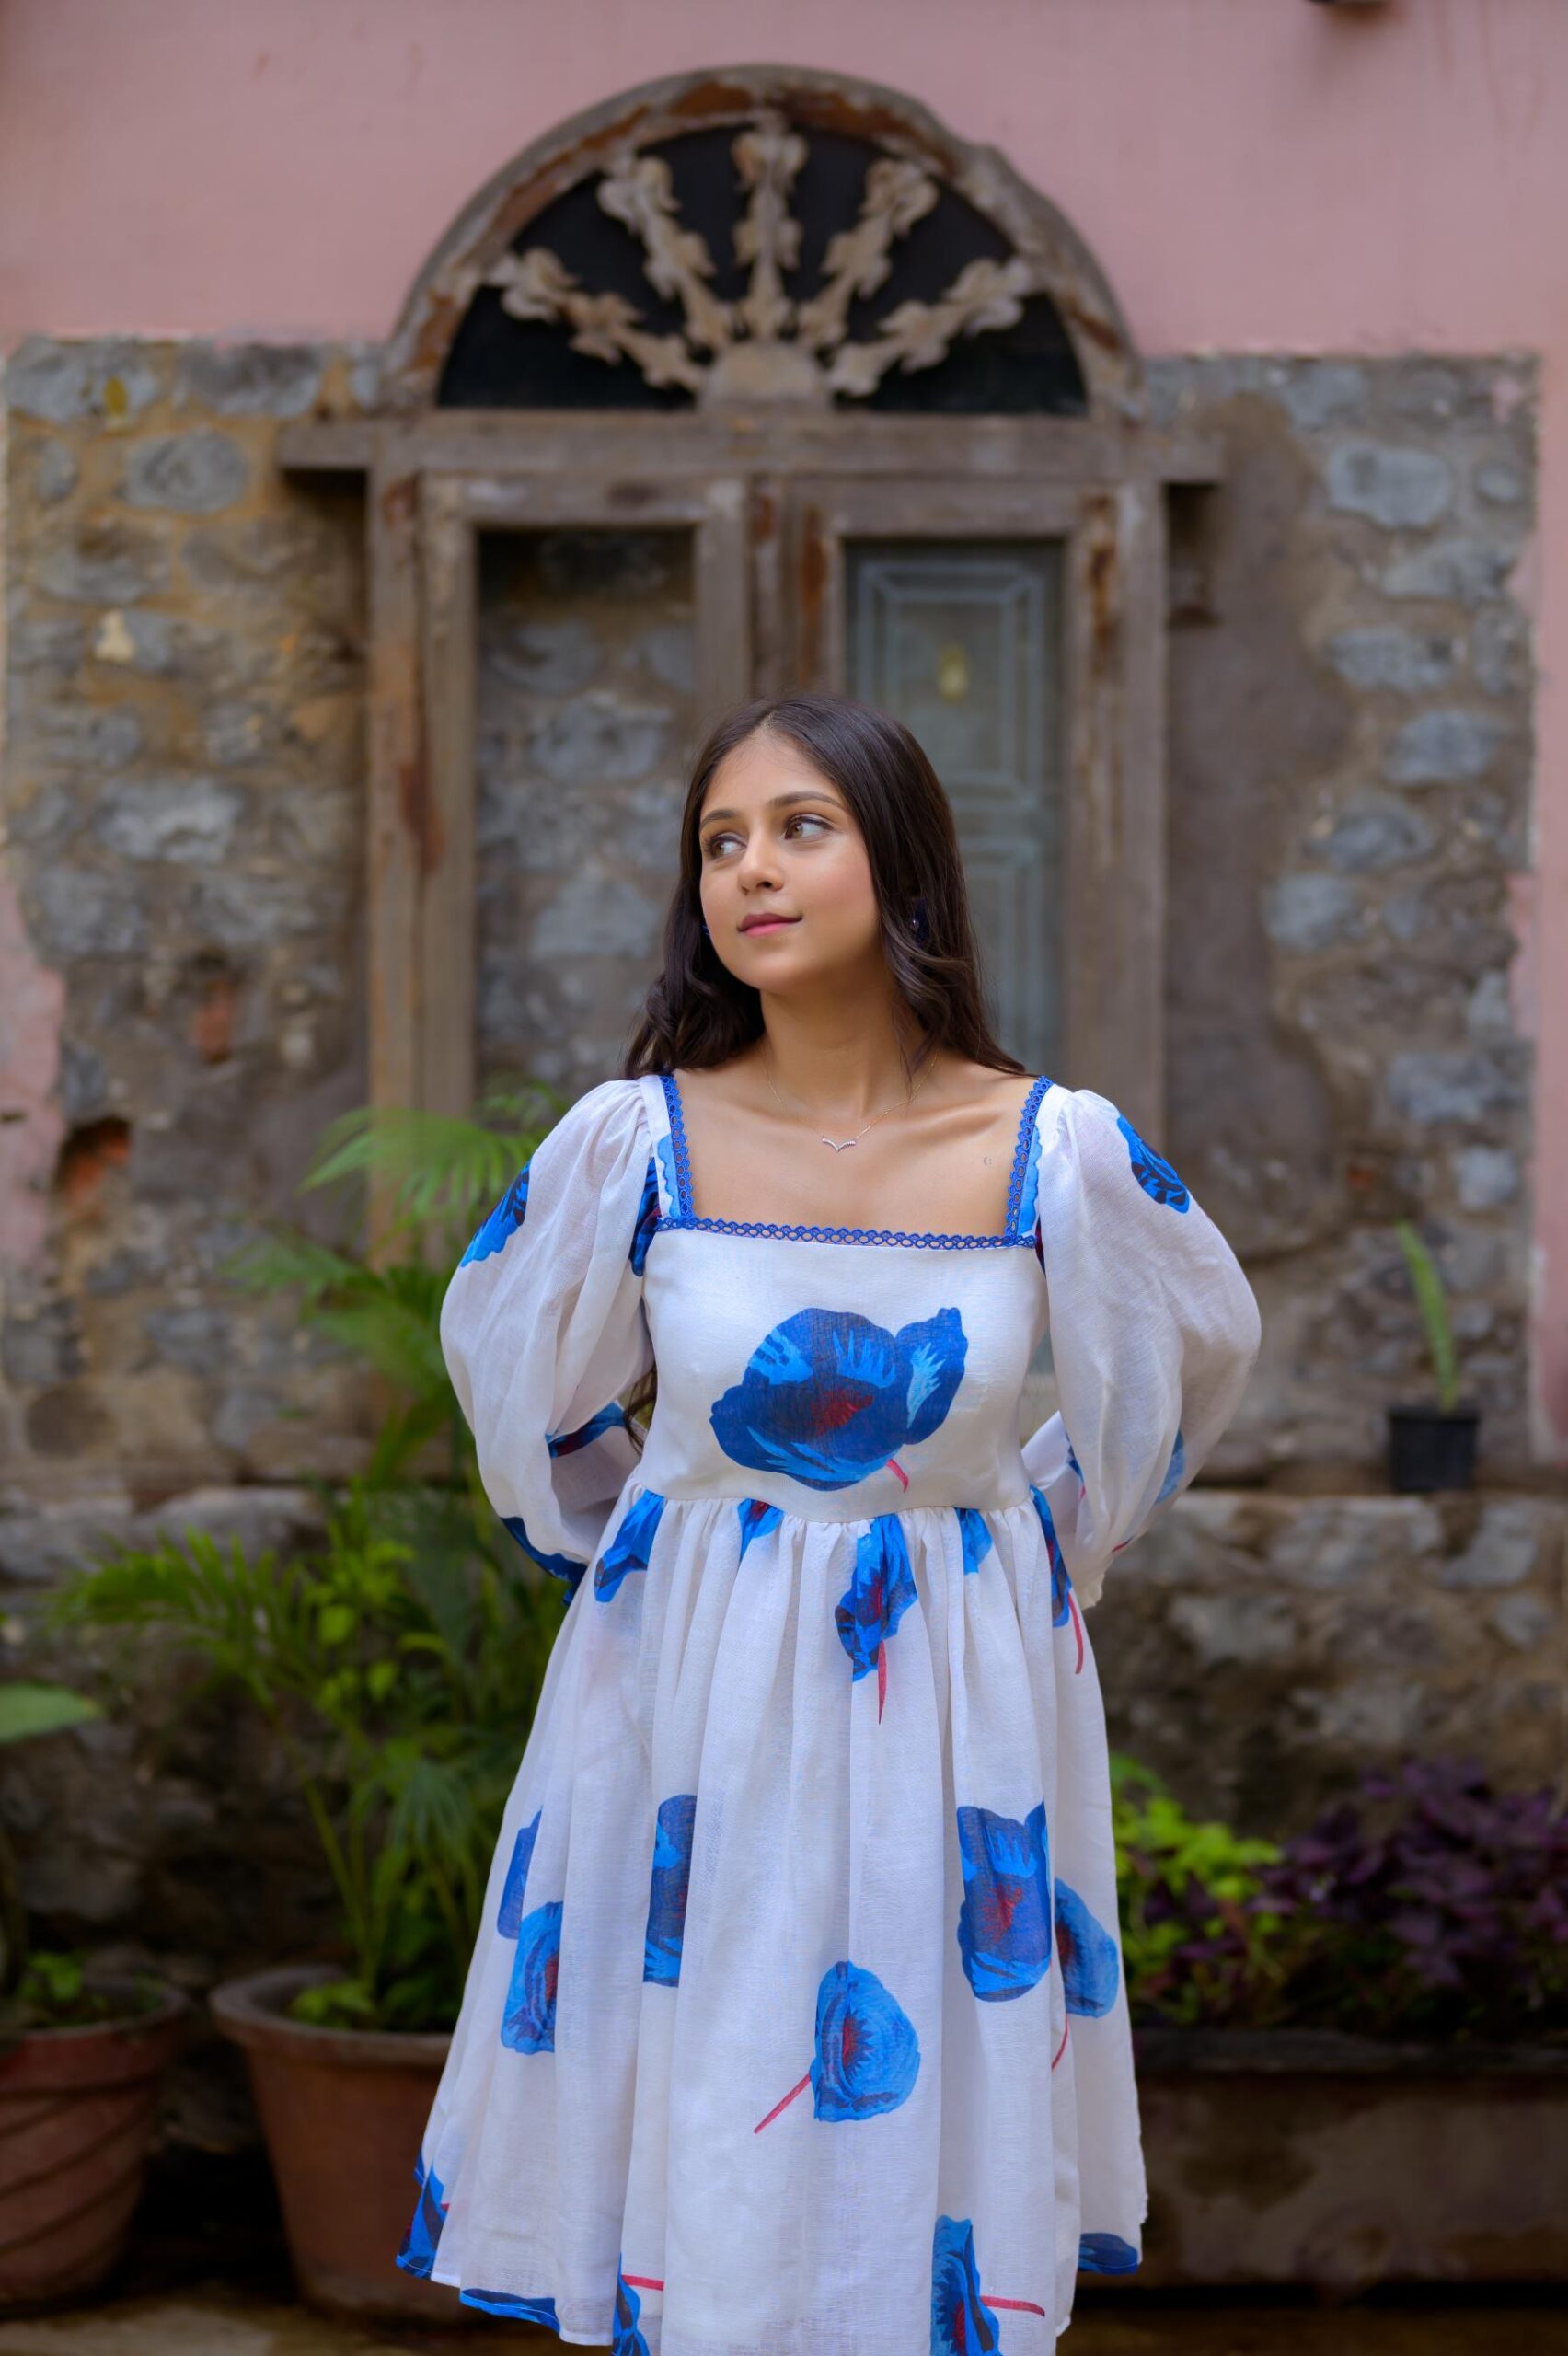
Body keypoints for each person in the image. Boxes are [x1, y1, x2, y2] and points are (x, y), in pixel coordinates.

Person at [395, 691, 1262, 2351]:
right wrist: (649, 1547)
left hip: (960, 1706)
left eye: (801, 828)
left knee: (921, 2109)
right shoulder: (632, 1145)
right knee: (725, 2103)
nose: (751, 872)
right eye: (720, 842)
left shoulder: (1049, 1150)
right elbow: (515, 1373)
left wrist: (1031, 1546)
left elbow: (1191, 1354)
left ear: (903, 861)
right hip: (686, 1704)